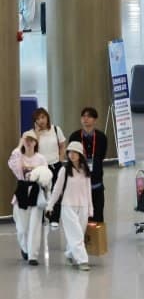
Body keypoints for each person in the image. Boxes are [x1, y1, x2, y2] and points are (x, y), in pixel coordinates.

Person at [46, 141, 93, 271]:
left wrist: (90, 208)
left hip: (82, 206)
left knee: (78, 233)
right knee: (76, 234)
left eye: (75, 152)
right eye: (70, 152)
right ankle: (83, 260)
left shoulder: (85, 170)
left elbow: (88, 190)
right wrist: (50, 206)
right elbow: (57, 189)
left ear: (80, 154)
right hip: (67, 206)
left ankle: (69, 255)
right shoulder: (64, 170)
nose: (72, 155)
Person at [9, 131, 49, 266]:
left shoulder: (41, 158)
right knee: (22, 228)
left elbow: (46, 176)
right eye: (27, 140)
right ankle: (25, 248)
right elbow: (13, 166)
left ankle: (33, 255)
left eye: (32, 140)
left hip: (36, 193)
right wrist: (20, 145)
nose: (29, 142)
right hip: (21, 192)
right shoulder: (18, 156)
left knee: (35, 226)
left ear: (36, 142)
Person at [68, 107, 108, 222]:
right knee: (81, 215)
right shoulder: (75, 136)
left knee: (98, 212)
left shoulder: (101, 137)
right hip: (79, 182)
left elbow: (101, 156)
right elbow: (71, 157)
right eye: (83, 116)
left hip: (96, 181)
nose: (85, 119)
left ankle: (96, 239)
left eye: (89, 116)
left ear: (95, 120)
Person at [31, 107, 66, 228]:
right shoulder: (33, 133)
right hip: (41, 167)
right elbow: (32, 149)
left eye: (43, 117)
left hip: (55, 164)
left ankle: (54, 218)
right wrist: (37, 134)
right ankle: (40, 217)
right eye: (38, 118)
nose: (41, 120)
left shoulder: (56, 129)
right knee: (40, 192)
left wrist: (61, 158)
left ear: (47, 117)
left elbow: (62, 145)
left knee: (57, 191)